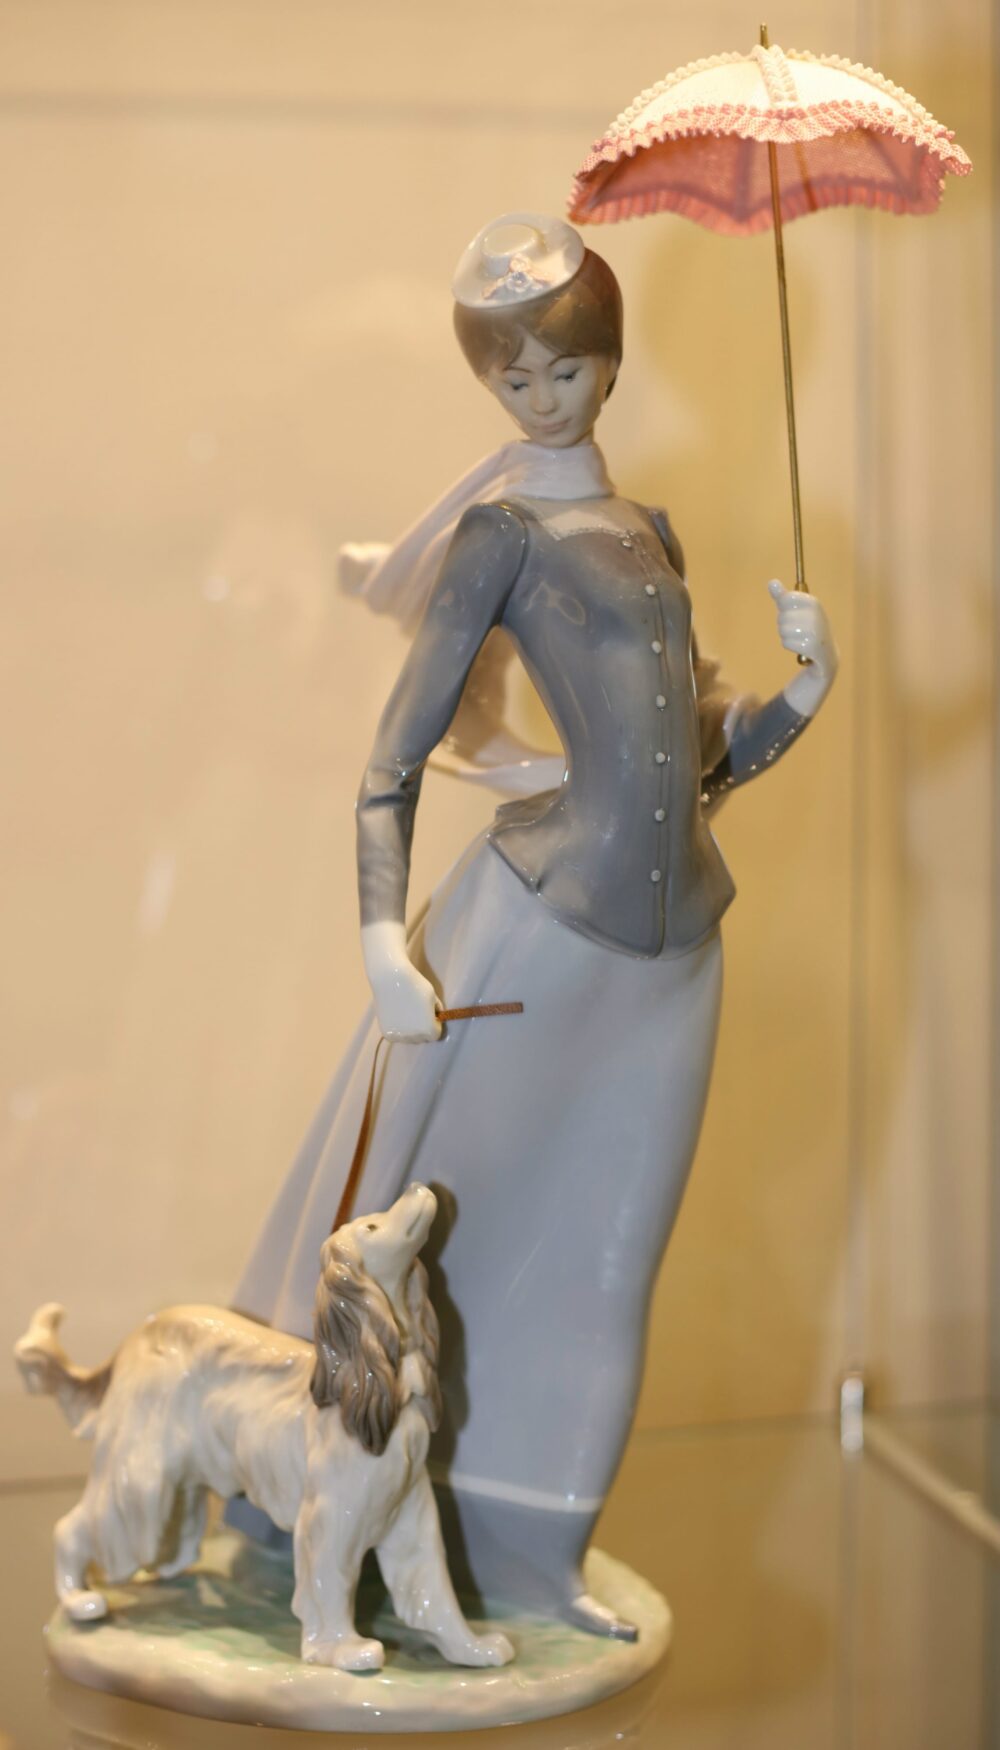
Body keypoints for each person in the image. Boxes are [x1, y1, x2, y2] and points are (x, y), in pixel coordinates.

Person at [233, 212, 838, 1635]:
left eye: (564, 368)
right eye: (513, 376)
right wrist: (382, 939)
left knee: (614, 1257)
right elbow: (389, 763)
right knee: (442, 1229)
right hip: (536, 933)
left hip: (679, 956)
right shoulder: (501, 536)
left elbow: (698, 768)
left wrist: (804, 692)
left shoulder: (652, 533)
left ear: (608, 363)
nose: (542, 395)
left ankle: (537, 1549)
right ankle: (330, 1507)